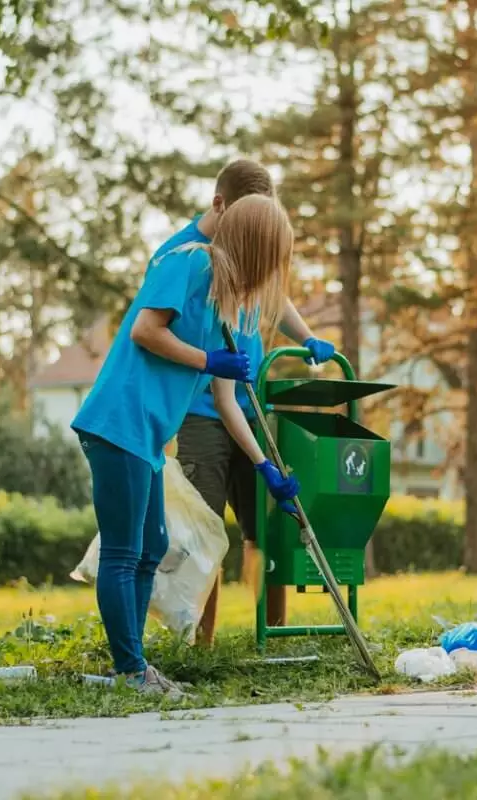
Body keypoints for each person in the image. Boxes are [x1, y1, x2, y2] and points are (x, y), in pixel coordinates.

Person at [72, 194, 302, 697]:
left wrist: (266, 469)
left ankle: (130, 670)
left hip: (149, 433)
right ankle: (131, 672)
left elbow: (227, 401)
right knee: (124, 550)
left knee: (151, 546)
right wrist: (206, 360)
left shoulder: (229, 304)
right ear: (256, 246)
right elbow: (145, 330)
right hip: (121, 419)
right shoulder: (191, 263)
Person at [151, 159, 334, 646]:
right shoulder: (185, 257)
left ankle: (270, 633)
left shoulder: (254, 241)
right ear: (221, 206)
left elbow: (275, 289)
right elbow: (152, 332)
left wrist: (310, 337)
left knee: (265, 528)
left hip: (251, 405)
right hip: (203, 411)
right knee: (206, 532)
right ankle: (200, 642)